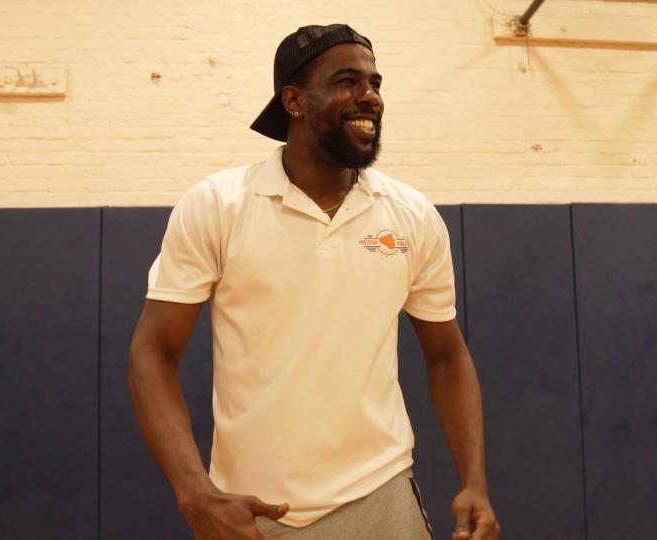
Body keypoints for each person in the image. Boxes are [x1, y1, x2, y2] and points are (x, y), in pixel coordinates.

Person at [128, 24, 500, 540]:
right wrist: (196, 492)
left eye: (375, 81)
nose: (369, 96)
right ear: (295, 101)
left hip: (382, 494)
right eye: (348, 81)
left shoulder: (412, 215)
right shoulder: (219, 203)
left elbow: (448, 356)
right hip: (253, 513)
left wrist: (474, 482)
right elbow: (153, 352)